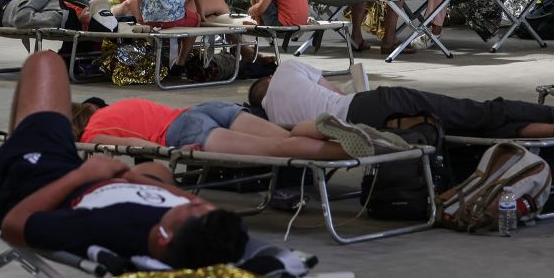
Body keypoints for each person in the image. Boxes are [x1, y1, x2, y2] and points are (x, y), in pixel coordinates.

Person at [0, 50, 250, 268]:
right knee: (158, 171)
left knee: (46, 62)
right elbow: (187, 203)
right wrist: (129, 177)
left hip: (45, 174)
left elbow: (14, 224)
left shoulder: (100, 227)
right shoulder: (199, 231)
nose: (197, 202)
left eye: (193, 206)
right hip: (105, 180)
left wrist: (83, 175)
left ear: (163, 236)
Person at [249, 59, 554, 140]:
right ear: (266, 79)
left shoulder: (272, 117)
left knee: (468, 130)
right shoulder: (287, 69)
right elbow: (335, 91)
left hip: (358, 129)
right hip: (368, 105)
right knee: (479, 111)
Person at [73, 98, 361, 159]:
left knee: (277, 150)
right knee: (286, 135)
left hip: (185, 130)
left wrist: (170, 153)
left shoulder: (90, 135)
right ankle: (336, 129)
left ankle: (349, 152)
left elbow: (136, 147)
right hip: (202, 109)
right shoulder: (112, 108)